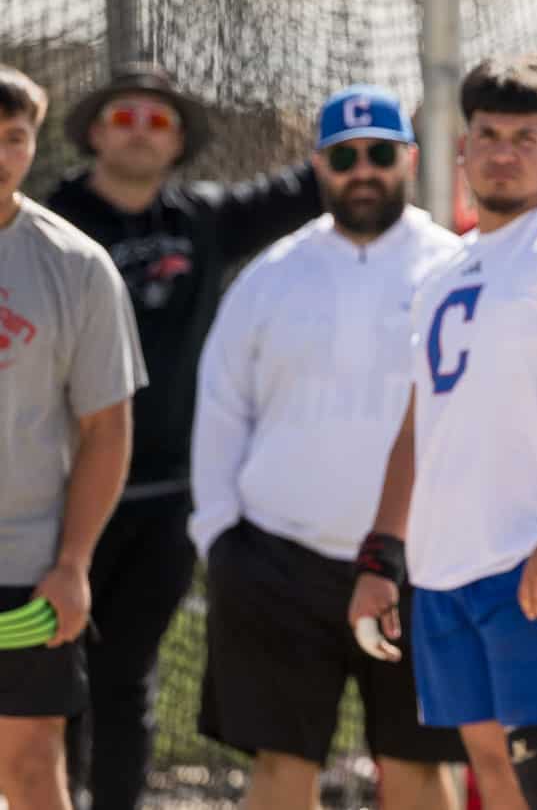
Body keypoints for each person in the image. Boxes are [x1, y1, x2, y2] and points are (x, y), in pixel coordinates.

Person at [347, 56, 537, 810]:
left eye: (527, 135)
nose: (503, 150)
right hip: (452, 567)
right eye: (487, 133)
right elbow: (421, 427)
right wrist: (382, 556)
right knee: (496, 772)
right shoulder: (447, 271)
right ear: (462, 148)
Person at [42, 63, 321, 810]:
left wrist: (399, 131)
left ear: (179, 142)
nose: (139, 130)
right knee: (48, 672)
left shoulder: (201, 219)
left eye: (158, 120)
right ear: (95, 130)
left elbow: (299, 192)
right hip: (58, 498)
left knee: (126, 675)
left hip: (167, 497)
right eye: (125, 116)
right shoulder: (46, 222)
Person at [187, 86, 466, 810]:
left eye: (380, 152)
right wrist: (220, 536)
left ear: (409, 157)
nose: (363, 170)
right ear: (318, 165)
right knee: (282, 770)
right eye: (344, 156)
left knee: (417, 771)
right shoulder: (269, 275)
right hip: (278, 562)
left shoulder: (458, 269)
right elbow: (220, 409)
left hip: (422, 564)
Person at [0, 67, 146, 810]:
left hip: (25, 567)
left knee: (30, 764)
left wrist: (73, 562)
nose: (0, 153)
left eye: (14, 137)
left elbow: (106, 428)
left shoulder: (78, 266)